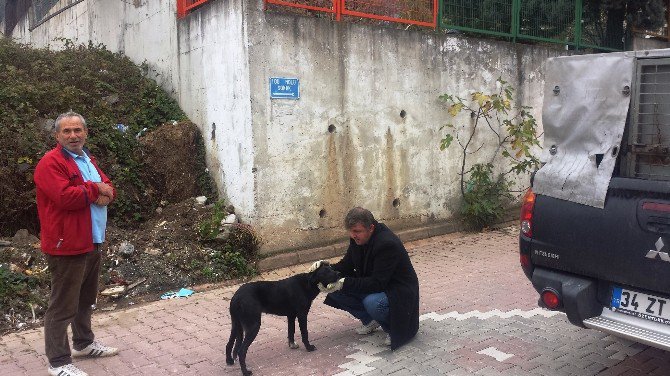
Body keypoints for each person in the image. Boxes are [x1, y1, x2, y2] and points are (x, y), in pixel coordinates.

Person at [34, 111, 119, 376]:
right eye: (67, 131)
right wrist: (95, 190)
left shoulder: (87, 158)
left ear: (85, 132)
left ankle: (83, 343)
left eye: (78, 130)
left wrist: (100, 191)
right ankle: (58, 362)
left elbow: (108, 187)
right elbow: (66, 198)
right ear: (57, 135)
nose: (73, 136)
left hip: (93, 239)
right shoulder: (50, 163)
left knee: (85, 299)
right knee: (62, 305)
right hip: (66, 244)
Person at [311, 207, 420, 349]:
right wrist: (326, 269)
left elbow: (377, 283)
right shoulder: (358, 239)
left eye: (357, 231)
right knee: (332, 286)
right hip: (376, 283)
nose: (353, 235)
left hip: (398, 290)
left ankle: (395, 329)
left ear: (371, 228)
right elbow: (347, 265)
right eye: (350, 231)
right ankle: (370, 320)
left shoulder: (387, 244)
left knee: (373, 303)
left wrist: (344, 283)